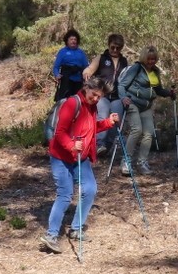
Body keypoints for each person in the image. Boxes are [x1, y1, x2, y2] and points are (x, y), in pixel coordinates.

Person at [39, 77, 119, 254]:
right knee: (65, 195)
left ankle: (76, 228)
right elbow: (60, 132)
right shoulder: (71, 103)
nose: (96, 99)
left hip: (80, 158)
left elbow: (91, 128)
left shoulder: (92, 107)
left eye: (100, 96)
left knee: (90, 189)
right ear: (86, 88)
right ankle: (51, 236)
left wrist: (108, 123)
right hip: (61, 157)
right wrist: (71, 145)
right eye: (94, 95)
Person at [117, 45, 177, 176]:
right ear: (144, 58)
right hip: (132, 103)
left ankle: (142, 162)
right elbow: (122, 85)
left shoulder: (155, 71)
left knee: (149, 133)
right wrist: (123, 98)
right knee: (136, 130)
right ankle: (125, 161)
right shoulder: (136, 68)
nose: (151, 61)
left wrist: (169, 93)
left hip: (147, 106)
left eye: (154, 59)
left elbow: (158, 90)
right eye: (149, 59)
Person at [82, 33, 128, 156]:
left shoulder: (124, 61)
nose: (115, 50)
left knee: (115, 121)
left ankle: (106, 147)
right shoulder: (101, 58)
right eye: (113, 47)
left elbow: (127, 78)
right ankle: (99, 144)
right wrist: (86, 73)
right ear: (109, 45)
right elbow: (90, 69)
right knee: (102, 115)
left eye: (118, 48)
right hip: (102, 95)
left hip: (117, 96)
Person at [51, 28, 89, 101]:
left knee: (78, 100)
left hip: (78, 80)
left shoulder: (81, 53)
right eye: (71, 39)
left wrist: (87, 76)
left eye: (75, 39)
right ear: (67, 41)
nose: (73, 41)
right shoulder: (62, 52)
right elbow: (56, 67)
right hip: (66, 79)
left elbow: (86, 67)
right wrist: (57, 75)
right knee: (64, 101)